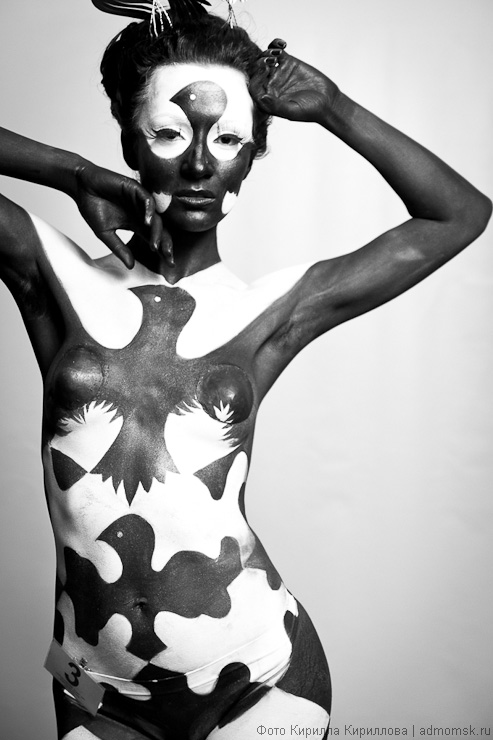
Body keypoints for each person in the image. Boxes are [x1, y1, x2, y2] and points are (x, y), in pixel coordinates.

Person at [0, 1, 490, 738]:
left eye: (229, 138)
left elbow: (457, 215)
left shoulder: (274, 309)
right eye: (168, 133)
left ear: (253, 152)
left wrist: (332, 107)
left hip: (261, 677)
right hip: (95, 689)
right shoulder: (52, 274)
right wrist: (70, 173)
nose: (200, 164)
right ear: (130, 140)